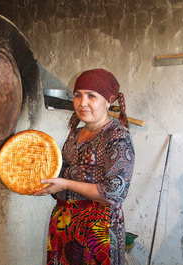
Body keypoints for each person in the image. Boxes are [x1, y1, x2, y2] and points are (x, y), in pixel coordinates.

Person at [33, 69, 135, 265]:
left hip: (98, 229)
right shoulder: (74, 135)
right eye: (78, 95)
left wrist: (65, 185)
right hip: (65, 224)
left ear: (108, 101)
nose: (82, 103)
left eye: (91, 96)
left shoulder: (116, 136)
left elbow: (115, 192)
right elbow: (59, 178)